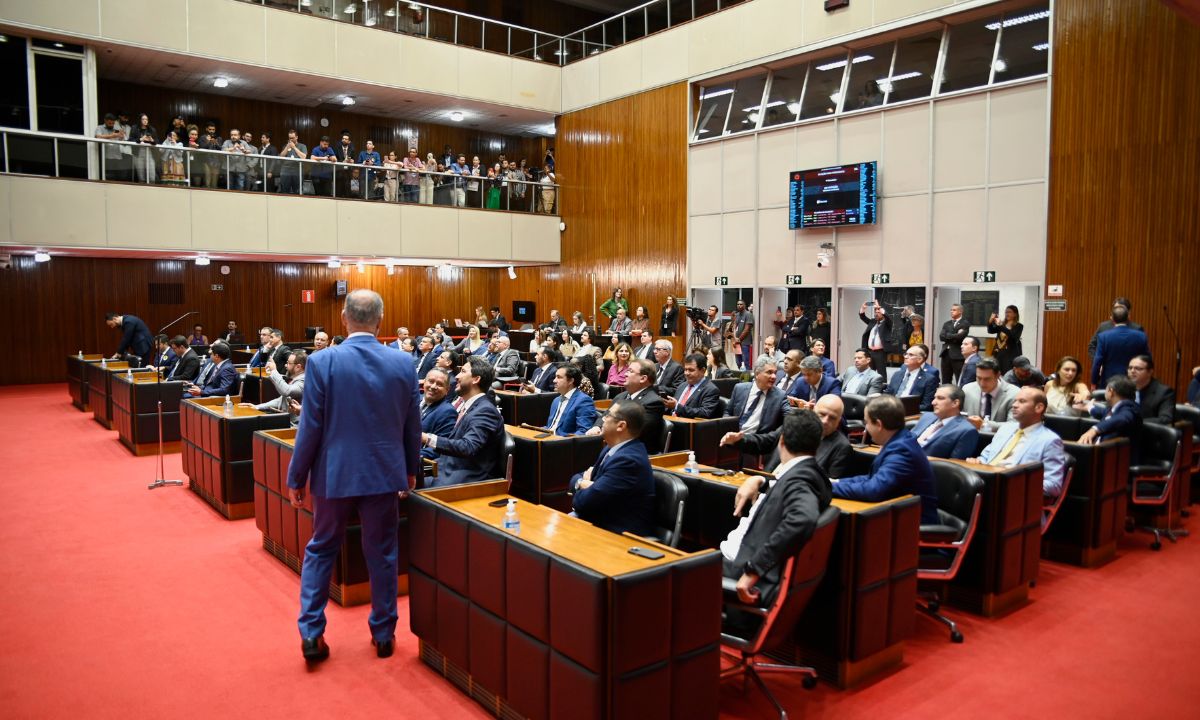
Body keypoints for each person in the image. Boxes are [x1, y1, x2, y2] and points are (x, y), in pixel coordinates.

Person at [285, 290, 419, 664]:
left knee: (321, 549)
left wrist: (297, 476)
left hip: (334, 474)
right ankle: (384, 633)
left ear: (344, 318)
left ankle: (311, 633)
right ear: (381, 319)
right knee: (383, 554)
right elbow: (412, 426)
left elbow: (310, 426)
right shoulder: (404, 363)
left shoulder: (322, 360)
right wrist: (409, 469)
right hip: (383, 473)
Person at [720, 411, 833, 607]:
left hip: (736, 577)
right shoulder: (810, 472)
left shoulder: (800, 480)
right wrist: (761, 480)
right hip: (737, 563)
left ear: (781, 441)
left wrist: (753, 571)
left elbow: (802, 518)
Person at [830, 395, 939, 524]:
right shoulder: (899, 441)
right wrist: (834, 482)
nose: (866, 428)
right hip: (894, 516)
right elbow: (871, 478)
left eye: (867, 423)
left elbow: (874, 489)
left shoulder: (902, 451)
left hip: (914, 527)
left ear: (879, 424)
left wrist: (826, 488)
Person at [570, 400, 656, 537]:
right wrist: (581, 483)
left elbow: (586, 502)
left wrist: (583, 484)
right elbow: (578, 477)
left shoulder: (628, 461)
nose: (602, 419)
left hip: (617, 533)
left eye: (608, 415)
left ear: (621, 426)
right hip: (595, 521)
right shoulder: (611, 448)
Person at [723, 395, 853, 477]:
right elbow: (766, 441)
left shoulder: (842, 447)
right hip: (766, 482)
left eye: (832, 418)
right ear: (813, 410)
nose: (825, 421)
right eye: (822, 414)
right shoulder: (796, 424)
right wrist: (739, 440)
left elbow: (829, 485)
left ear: (839, 420)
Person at [971, 387, 1067, 498]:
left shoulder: (1050, 440)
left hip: (1014, 498)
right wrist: (977, 462)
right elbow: (985, 458)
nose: (1014, 405)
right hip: (986, 488)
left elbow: (1053, 486)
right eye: (1015, 401)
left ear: (1039, 407)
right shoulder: (1005, 429)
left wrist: (1014, 483)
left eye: (1022, 401)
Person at [587, 359, 666, 453]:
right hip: (612, 446)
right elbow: (605, 415)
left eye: (630, 371)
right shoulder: (620, 396)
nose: (625, 374)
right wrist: (597, 427)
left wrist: (605, 430)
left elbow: (635, 432)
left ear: (643, 378)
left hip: (633, 452)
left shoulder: (654, 402)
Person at [910, 384, 979, 460]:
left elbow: (954, 466)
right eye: (934, 398)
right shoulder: (927, 416)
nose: (933, 402)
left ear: (955, 403)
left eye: (940, 398)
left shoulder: (966, 431)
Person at [1091, 304, 1151, 387]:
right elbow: (1148, 360)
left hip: (1109, 380)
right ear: (1128, 318)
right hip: (1134, 381)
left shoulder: (1103, 337)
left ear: (1112, 319)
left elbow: (1097, 362)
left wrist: (1094, 381)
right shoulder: (1141, 336)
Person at [241, 351, 306, 425]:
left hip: (296, 425)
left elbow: (286, 391)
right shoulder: (296, 379)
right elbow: (281, 400)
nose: (285, 365)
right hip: (288, 421)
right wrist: (257, 407)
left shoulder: (304, 380)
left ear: (298, 367)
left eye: (289, 363)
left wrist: (274, 371)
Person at [1077, 376, 1143, 447]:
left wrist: (1094, 430)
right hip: (1100, 450)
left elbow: (1122, 419)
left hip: (1114, 455)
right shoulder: (1116, 408)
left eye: (1106, 389)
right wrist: (1089, 407)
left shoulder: (1129, 410)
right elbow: (1104, 412)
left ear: (1111, 392)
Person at [726, 357, 785, 435]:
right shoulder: (739, 388)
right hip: (732, 435)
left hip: (756, 440)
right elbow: (727, 412)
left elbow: (789, 420)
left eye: (775, 372)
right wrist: (727, 428)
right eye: (769, 372)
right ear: (757, 374)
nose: (774, 376)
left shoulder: (780, 395)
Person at [963, 357, 1019, 431]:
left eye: (987, 379)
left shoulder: (1014, 394)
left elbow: (1014, 425)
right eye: (979, 378)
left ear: (998, 375)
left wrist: (984, 425)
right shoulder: (967, 390)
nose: (982, 384)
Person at [664, 353, 721, 419]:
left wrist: (676, 407)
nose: (686, 373)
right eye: (685, 370)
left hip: (688, 426)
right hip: (670, 421)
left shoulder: (711, 390)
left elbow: (705, 413)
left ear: (703, 370)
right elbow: (671, 409)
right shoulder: (682, 385)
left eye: (691, 370)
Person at [883, 345, 939, 411]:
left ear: (920, 359)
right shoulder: (897, 374)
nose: (906, 357)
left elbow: (926, 405)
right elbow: (887, 394)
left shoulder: (929, 379)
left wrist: (902, 408)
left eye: (911, 355)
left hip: (909, 412)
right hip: (890, 409)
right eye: (906, 354)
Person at [545, 364, 597, 435]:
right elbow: (550, 427)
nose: (554, 380)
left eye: (559, 377)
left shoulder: (584, 401)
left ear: (571, 381)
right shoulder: (556, 400)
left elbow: (583, 431)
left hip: (563, 443)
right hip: (548, 438)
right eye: (555, 377)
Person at [418, 368, 457, 461]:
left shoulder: (448, 412)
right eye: (431, 381)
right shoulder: (414, 401)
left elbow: (440, 449)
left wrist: (407, 455)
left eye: (439, 384)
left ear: (447, 390)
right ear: (424, 383)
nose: (433, 386)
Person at [1126, 355, 1175, 425]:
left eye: (1138, 368)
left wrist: (1135, 423)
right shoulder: (1124, 388)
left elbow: (1166, 419)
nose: (1132, 371)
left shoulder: (1164, 392)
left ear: (1150, 372)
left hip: (1150, 432)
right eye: (1130, 368)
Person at [938, 303, 971, 383]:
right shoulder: (947, 323)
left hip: (957, 355)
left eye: (954, 310)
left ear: (960, 311)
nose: (951, 311)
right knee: (945, 379)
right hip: (945, 354)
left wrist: (948, 335)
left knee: (959, 379)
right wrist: (954, 335)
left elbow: (960, 337)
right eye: (951, 310)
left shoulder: (965, 323)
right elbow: (941, 337)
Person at [987, 305, 1023, 373]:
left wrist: (1000, 325)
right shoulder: (1002, 324)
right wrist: (990, 322)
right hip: (998, 353)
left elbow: (1013, 336)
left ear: (1015, 314)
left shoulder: (1019, 326)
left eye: (1009, 312)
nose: (1007, 314)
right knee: (997, 373)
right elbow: (990, 331)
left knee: (1007, 374)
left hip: (1010, 355)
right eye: (1006, 312)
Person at [859, 300, 891, 371]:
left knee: (881, 373)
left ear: (883, 314)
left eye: (878, 312)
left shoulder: (887, 323)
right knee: (869, 371)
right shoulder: (872, 322)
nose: (876, 314)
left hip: (880, 352)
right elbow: (862, 317)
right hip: (870, 351)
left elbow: (888, 318)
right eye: (875, 312)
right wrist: (863, 308)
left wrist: (879, 308)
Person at [276, 129, 307, 195]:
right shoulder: (286, 146)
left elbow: (303, 157)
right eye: (290, 138)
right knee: (284, 191)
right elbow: (281, 157)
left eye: (292, 138)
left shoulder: (302, 146)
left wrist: (294, 147)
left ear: (297, 137)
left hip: (297, 172)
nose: (291, 140)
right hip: (286, 172)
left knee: (298, 192)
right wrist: (287, 147)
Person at [732, 299, 755, 370]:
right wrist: (735, 338)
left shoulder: (748, 314)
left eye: (741, 304)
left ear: (744, 305)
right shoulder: (737, 315)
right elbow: (734, 327)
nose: (739, 306)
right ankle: (740, 377)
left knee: (745, 362)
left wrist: (739, 339)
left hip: (745, 342)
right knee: (738, 362)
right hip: (737, 342)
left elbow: (747, 329)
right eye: (738, 304)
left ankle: (747, 378)